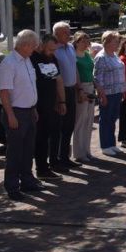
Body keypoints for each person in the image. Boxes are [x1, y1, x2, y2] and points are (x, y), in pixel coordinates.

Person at [0, 30, 44, 200]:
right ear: (24, 45)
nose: (35, 49)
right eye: (33, 46)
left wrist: (34, 108)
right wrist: (10, 115)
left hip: (29, 111)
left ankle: (27, 181)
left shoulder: (27, 60)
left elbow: (29, 87)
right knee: (15, 151)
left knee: (27, 150)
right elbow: (4, 92)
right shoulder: (9, 63)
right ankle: (12, 186)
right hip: (16, 112)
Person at [31, 34, 65, 179]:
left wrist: (61, 101)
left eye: (54, 50)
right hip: (36, 105)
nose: (52, 53)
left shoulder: (52, 59)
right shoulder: (32, 58)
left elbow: (58, 80)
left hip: (50, 105)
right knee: (39, 139)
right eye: (50, 49)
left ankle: (47, 166)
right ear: (41, 45)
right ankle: (41, 169)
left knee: (47, 136)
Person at [93, 31, 126, 157]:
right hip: (107, 93)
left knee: (113, 118)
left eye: (118, 41)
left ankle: (112, 144)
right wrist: (102, 94)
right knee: (106, 119)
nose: (118, 44)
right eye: (115, 41)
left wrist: (123, 90)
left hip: (117, 92)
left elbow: (120, 74)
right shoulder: (101, 57)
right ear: (106, 42)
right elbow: (97, 78)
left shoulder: (114, 55)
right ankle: (105, 145)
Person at [52, 22, 79, 170]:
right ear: (56, 34)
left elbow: (74, 68)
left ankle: (65, 157)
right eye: (65, 33)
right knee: (59, 127)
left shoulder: (70, 48)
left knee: (69, 126)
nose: (69, 35)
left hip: (71, 90)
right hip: (58, 93)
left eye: (69, 32)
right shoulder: (54, 50)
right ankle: (55, 159)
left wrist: (78, 88)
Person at [71, 31, 95, 162]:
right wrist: (80, 90)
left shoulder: (87, 55)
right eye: (82, 41)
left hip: (90, 86)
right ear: (76, 42)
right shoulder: (73, 55)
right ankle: (79, 153)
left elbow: (91, 72)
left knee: (89, 120)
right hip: (80, 88)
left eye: (87, 40)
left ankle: (87, 150)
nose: (86, 43)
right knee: (80, 120)